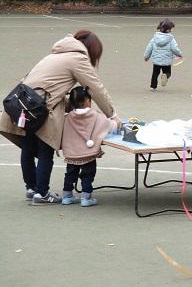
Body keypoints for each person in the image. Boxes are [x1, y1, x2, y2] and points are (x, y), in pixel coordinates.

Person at [0, 30, 120, 205]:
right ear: (91, 49)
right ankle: (42, 194)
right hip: (41, 109)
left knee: (27, 147)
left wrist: (68, 103)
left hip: (22, 105)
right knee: (45, 150)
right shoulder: (77, 58)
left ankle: (32, 187)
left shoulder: (54, 55)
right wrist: (113, 115)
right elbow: (95, 88)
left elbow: (48, 85)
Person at [61, 86, 117, 207]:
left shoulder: (67, 116)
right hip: (88, 152)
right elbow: (108, 125)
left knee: (70, 174)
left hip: (71, 153)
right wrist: (116, 123)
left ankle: (67, 196)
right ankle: (86, 198)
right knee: (87, 174)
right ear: (87, 101)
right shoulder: (95, 115)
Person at [144, 18, 183, 91]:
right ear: (169, 29)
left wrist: (146, 57)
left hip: (156, 60)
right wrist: (179, 54)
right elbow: (174, 48)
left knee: (155, 73)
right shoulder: (171, 39)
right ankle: (165, 75)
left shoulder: (154, 38)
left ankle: (153, 86)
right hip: (166, 60)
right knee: (168, 72)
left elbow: (149, 48)